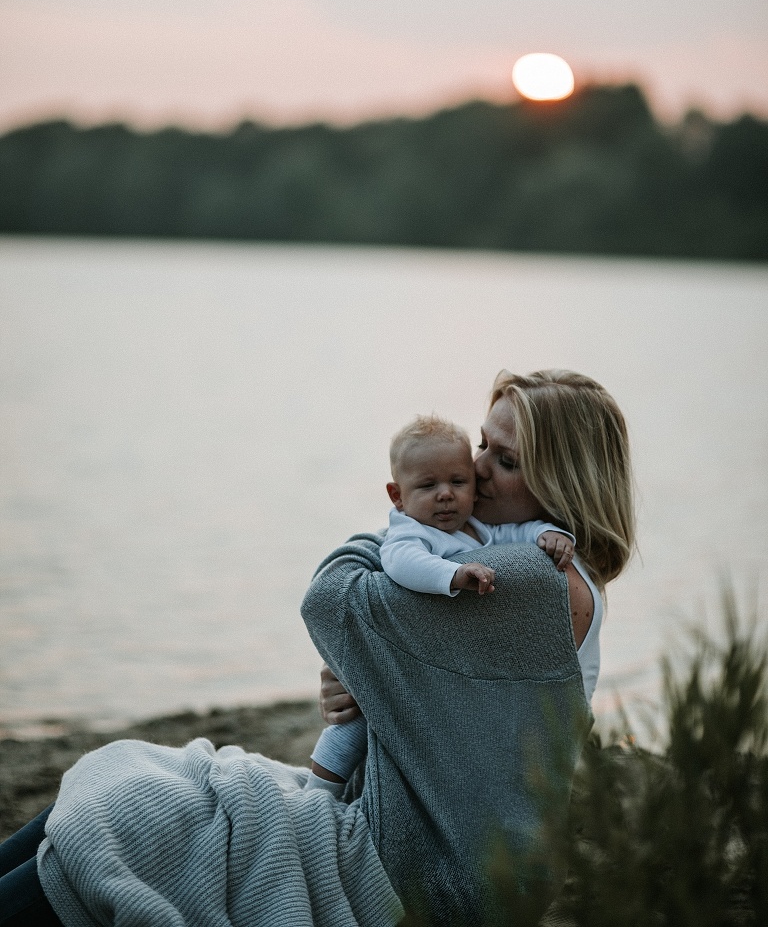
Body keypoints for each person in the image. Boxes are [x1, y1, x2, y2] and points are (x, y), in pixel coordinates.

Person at [0, 368, 635, 927]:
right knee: (137, 788)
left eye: (508, 460)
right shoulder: (545, 569)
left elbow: (333, 598)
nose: (475, 470)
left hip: (424, 868)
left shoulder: (535, 582)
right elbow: (424, 683)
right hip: (430, 834)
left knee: (142, 819)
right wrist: (372, 673)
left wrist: (403, 530)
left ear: (564, 481)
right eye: (481, 445)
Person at [306, 413, 576, 795]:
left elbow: (518, 531)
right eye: (428, 485)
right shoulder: (410, 532)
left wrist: (550, 533)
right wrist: (451, 576)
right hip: (402, 655)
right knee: (353, 723)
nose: (445, 494)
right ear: (398, 496)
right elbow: (402, 564)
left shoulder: (478, 527)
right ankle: (318, 789)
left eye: (458, 482)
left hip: (436, 667)